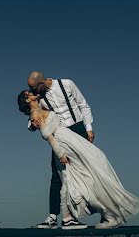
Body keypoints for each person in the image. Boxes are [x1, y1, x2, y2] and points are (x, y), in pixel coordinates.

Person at [18, 90, 139, 229]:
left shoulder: (41, 106)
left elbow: (34, 125)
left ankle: (108, 213)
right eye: (29, 93)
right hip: (63, 143)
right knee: (76, 179)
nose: (33, 92)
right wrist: (60, 154)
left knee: (96, 162)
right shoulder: (35, 114)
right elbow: (48, 136)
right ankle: (82, 216)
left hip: (71, 139)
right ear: (28, 100)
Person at [27, 71, 94, 229]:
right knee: (56, 176)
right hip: (59, 135)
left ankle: (102, 212)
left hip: (78, 129)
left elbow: (83, 105)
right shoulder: (40, 98)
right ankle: (52, 217)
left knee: (89, 170)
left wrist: (89, 129)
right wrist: (32, 125)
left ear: (42, 83)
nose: (34, 92)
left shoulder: (67, 84)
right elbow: (34, 117)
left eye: (35, 88)